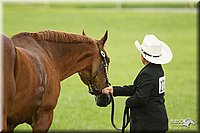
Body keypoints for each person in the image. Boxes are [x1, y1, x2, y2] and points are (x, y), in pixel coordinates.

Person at [102, 34, 173, 133]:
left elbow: (140, 98)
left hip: (147, 123)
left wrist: (129, 102)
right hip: (156, 120)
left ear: (144, 57)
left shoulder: (148, 73)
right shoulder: (158, 69)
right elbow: (138, 88)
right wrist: (114, 90)